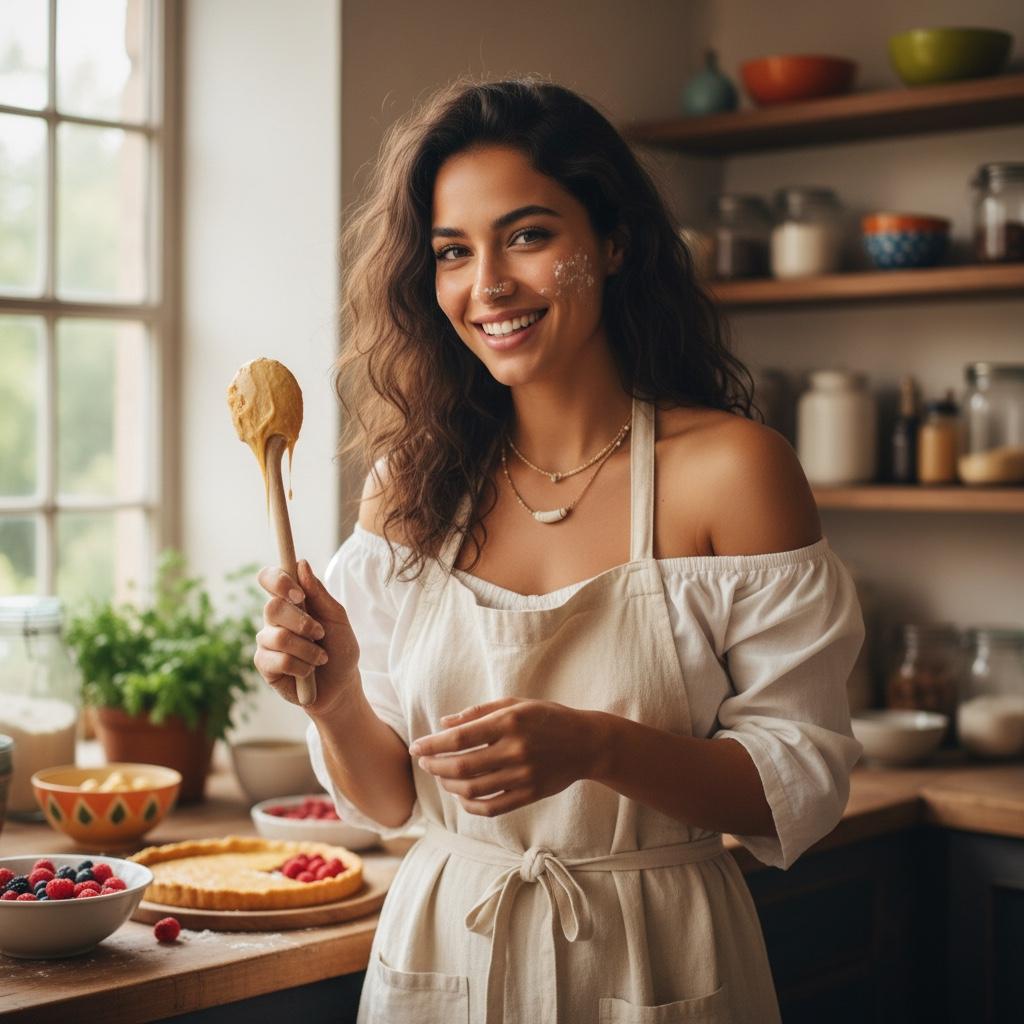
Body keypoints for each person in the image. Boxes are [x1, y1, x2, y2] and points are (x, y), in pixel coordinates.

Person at [254, 76, 865, 1024]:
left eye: (528, 236)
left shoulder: (734, 473)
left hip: (659, 948)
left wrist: (595, 746)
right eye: (453, 252)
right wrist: (333, 698)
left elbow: (800, 783)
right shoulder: (413, 485)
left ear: (613, 243)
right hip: (442, 948)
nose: (487, 284)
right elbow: (386, 798)